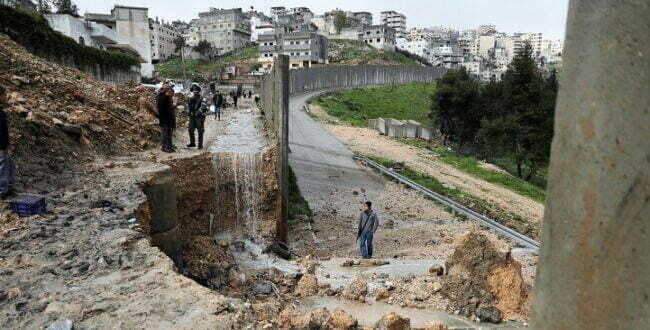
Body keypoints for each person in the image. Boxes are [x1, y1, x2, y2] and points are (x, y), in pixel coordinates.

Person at [0, 85, 15, 198]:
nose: (6, 97)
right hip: (0, 146)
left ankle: (8, 188)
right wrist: (2, 146)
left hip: (3, 145)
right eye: (4, 95)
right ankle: (2, 192)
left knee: (10, 164)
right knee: (3, 168)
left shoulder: (1, 111)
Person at [187, 84, 207, 149]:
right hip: (192, 117)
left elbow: (203, 107)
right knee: (190, 130)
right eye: (193, 90)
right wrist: (189, 112)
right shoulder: (190, 98)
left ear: (198, 91)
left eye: (196, 90)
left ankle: (200, 144)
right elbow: (189, 107)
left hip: (199, 117)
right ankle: (192, 143)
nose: (194, 91)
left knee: (200, 131)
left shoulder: (202, 98)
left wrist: (197, 113)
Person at [156, 83, 174, 153]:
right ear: (166, 89)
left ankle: (169, 147)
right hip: (164, 119)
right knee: (165, 134)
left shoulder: (167, 97)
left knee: (168, 133)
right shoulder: (161, 96)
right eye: (168, 89)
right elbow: (161, 109)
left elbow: (169, 108)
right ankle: (165, 147)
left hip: (168, 118)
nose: (169, 91)